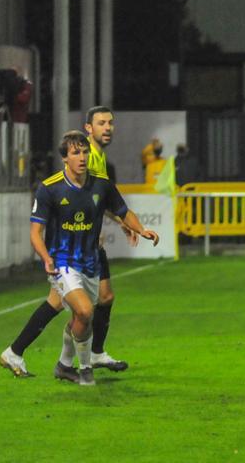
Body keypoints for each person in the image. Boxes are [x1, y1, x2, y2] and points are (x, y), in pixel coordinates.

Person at [0, 106, 135, 378]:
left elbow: (101, 200)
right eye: (101, 123)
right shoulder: (90, 158)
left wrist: (124, 222)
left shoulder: (96, 156)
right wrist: (121, 223)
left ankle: (19, 353)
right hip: (76, 250)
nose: (107, 128)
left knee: (64, 303)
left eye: (110, 123)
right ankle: (88, 358)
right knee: (91, 305)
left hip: (85, 250)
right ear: (88, 128)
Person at [29, 132, 159, 385]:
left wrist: (140, 228)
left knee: (82, 317)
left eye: (85, 152)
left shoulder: (101, 184)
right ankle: (86, 369)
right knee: (86, 310)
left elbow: (123, 210)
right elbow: (35, 232)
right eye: (76, 153)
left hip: (91, 261)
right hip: (62, 261)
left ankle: (64, 365)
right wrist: (46, 258)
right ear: (65, 158)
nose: (82, 157)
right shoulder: (49, 188)